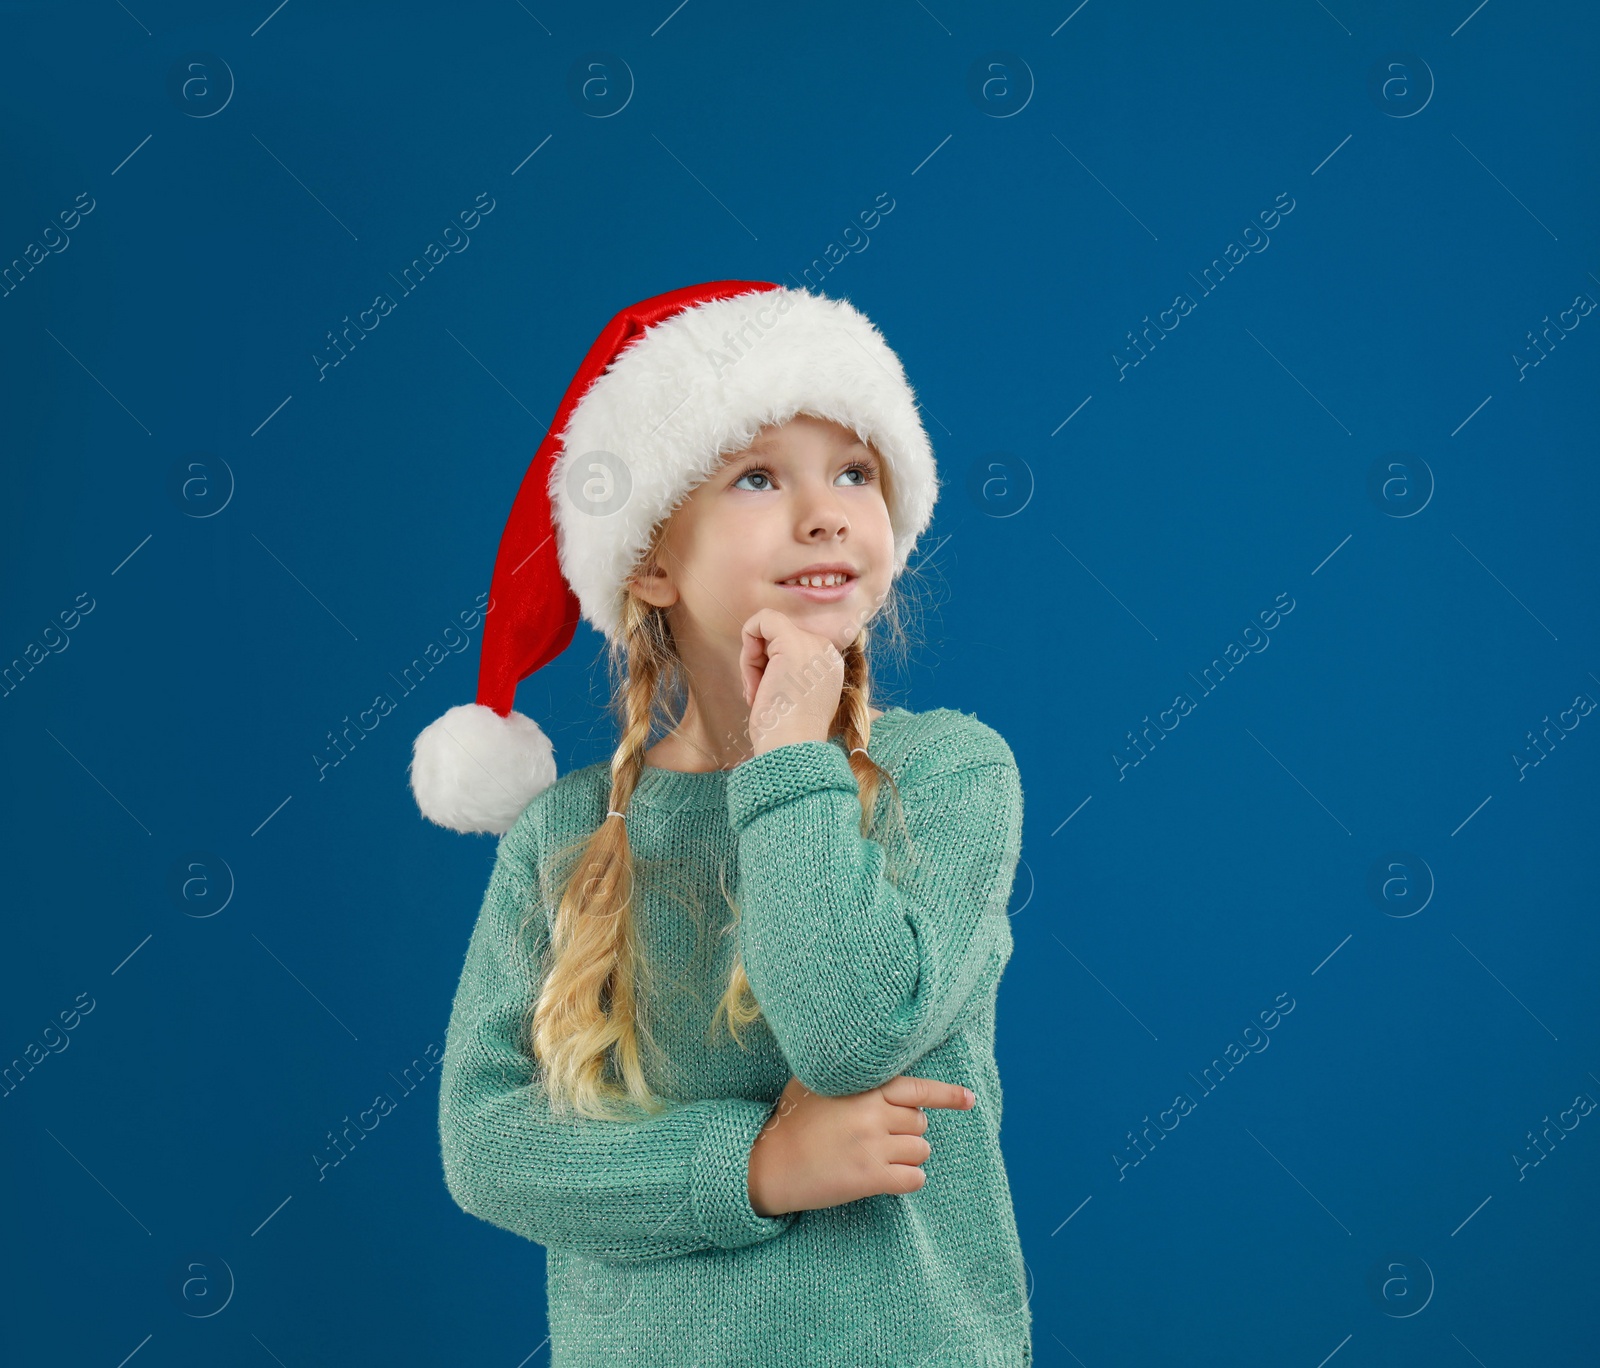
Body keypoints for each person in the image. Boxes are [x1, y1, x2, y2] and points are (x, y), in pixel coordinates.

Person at [412, 281, 1033, 1366]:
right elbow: (487, 1143)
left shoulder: (948, 776)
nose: (826, 511)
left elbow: (847, 1033)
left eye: (854, 471)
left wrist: (793, 754)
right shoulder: (564, 837)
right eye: (757, 477)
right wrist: (755, 1167)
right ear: (650, 560)